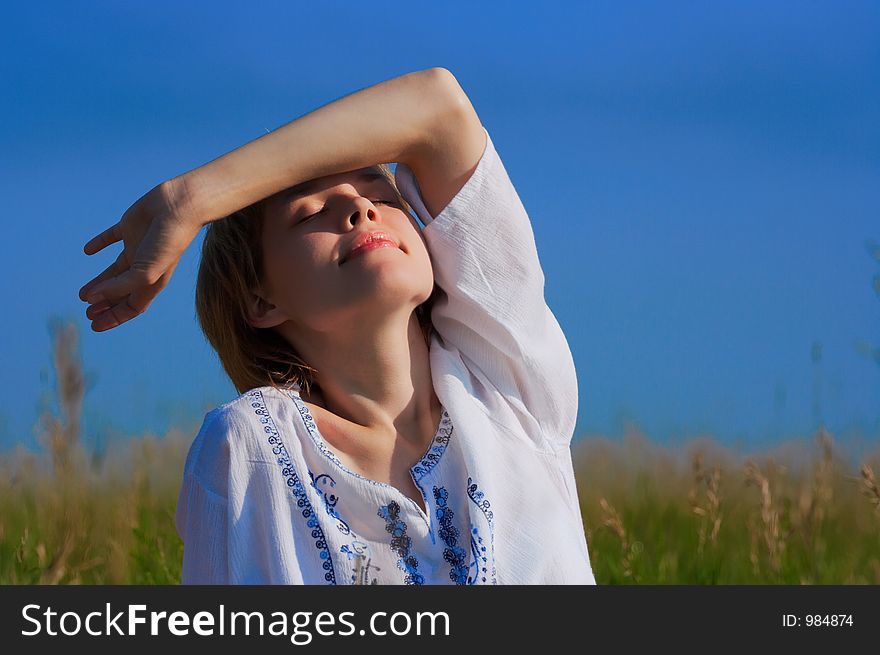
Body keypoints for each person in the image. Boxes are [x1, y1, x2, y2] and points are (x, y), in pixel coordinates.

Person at [79, 67, 596, 585]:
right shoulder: (251, 447)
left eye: (386, 198)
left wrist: (191, 199)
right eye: (312, 214)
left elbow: (438, 107)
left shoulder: (506, 382)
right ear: (260, 299)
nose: (360, 208)